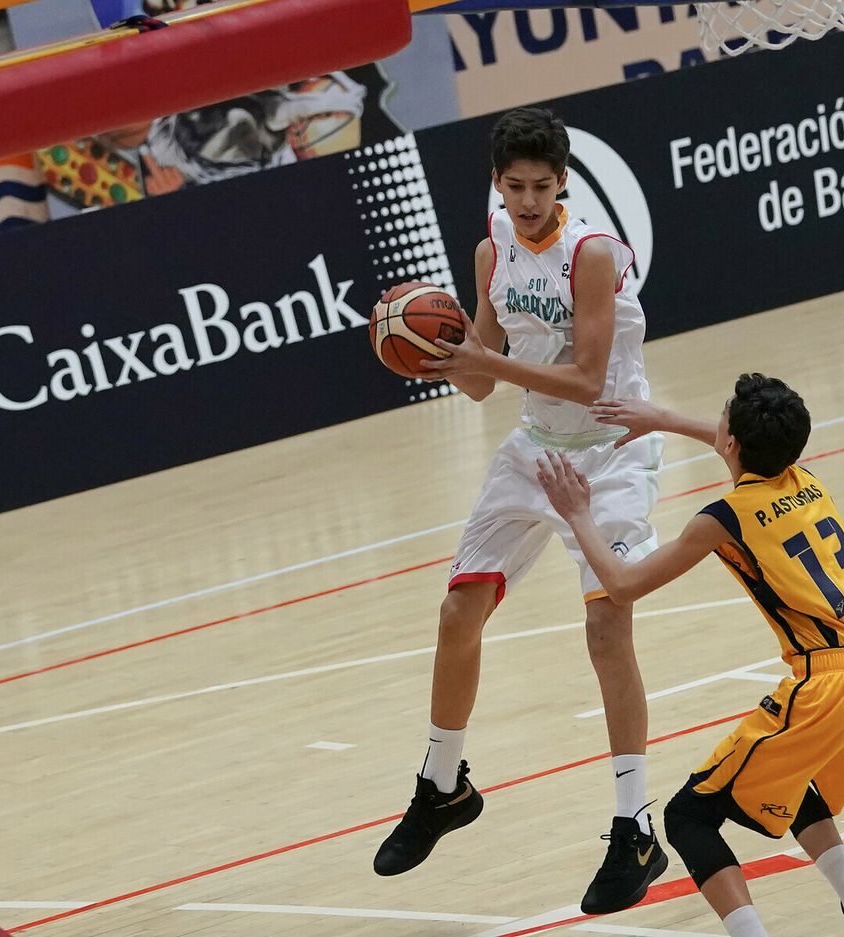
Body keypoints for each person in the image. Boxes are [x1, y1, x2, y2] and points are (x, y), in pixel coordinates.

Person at [370, 106, 667, 915]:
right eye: (515, 186)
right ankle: (442, 784)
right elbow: (478, 381)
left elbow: (587, 375)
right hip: (534, 443)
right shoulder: (491, 248)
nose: (529, 199)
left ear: (563, 180)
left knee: (607, 625)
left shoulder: (592, 254)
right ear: (497, 186)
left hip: (610, 445)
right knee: (457, 609)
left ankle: (635, 824)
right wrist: (432, 353)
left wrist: (481, 355)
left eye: (542, 185)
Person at [538, 375, 844, 937]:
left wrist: (578, 513)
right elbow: (734, 443)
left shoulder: (723, 518)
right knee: (791, 784)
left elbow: (621, 585)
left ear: (732, 443)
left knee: (688, 818)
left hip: (828, 681)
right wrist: (660, 417)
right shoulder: (806, 477)